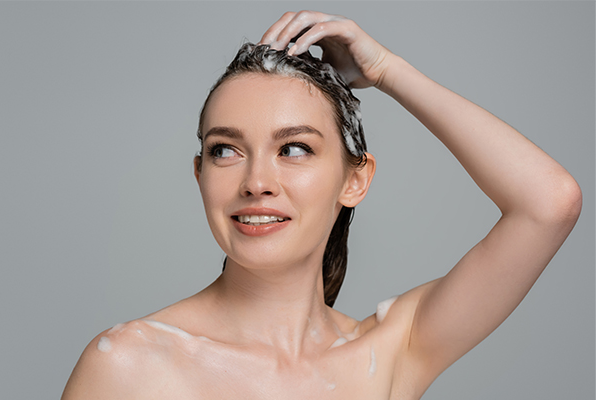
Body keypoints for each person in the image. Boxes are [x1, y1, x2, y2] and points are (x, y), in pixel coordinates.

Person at [61, 11, 581, 400]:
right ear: (200, 175)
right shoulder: (131, 368)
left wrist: (387, 70)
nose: (257, 181)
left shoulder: (388, 353)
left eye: (294, 149)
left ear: (355, 180)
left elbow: (548, 202)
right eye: (226, 149)